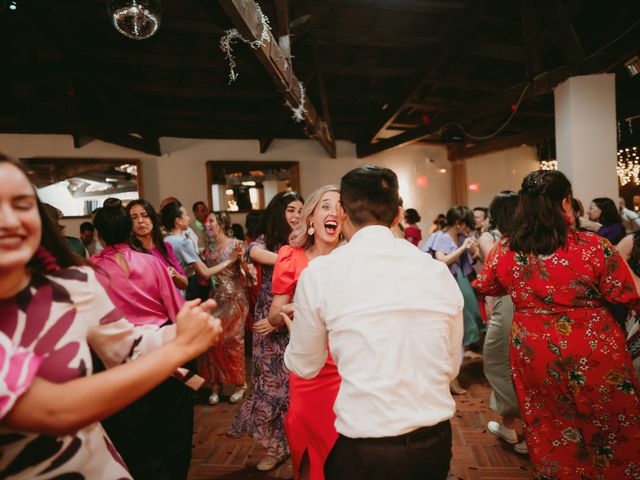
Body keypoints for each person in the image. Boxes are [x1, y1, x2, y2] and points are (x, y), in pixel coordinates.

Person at [0, 153, 221, 478]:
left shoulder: (75, 283)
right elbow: (55, 409)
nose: (10, 220)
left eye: (21, 204)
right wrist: (181, 346)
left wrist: (178, 331)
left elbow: (126, 348)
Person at [284, 166, 463, 480]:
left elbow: (306, 365)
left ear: (341, 212)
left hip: (366, 447)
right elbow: (450, 365)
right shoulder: (436, 272)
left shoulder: (321, 274)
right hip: (433, 443)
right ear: (397, 215)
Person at [473, 170, 640, 480]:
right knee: (609, 424)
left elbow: (486, 285)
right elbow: (627, 293)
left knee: (548, 423)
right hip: (593, 347)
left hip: (534, 351)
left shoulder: (507, 249)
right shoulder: (592, 246)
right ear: (566, 203)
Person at [92, 200, 202, 479]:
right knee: (172, 428)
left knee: (131, 434)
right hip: (161, 352)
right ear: (129, 229)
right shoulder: (153, 262)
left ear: (98, 235)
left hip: (117, 358)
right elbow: (177, 311)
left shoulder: (89, 269)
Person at [267, 185, 343, 480]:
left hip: (345, 364)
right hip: (308, 368)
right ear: (311, 219)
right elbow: (274, 313)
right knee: (306, 439)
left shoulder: (351, 259)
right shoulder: (290, 257)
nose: (333, 212)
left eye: (339, 207)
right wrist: (293, 310)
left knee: (341, 444)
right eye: (325, 206)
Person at [227, 191, 303, 471]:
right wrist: (299, 259)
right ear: (278, 213)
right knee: (270, 387)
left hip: (299, 317)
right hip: (267, 321)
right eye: (291, 210)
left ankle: (298, 444)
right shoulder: (263, 244)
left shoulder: (306, 244)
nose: (296, 216)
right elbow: (257, 255)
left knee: (294, 387)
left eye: (300, 211)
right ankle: (276, 447)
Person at [476, 191, 527, 455]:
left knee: (497, 362)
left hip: (508, 304)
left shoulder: (491, 238)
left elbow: (496, 266)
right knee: (516, 365)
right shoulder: (528, 238)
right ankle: (510, 426)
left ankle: (526, 427)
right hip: (527, 303)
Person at [428, 205, 482, 394]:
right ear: (458, 223)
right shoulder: (440, 237)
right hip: (444, 287)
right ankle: (447, 381)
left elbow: (470, 261)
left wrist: (473, 251)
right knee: (446, 332)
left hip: (460, 284)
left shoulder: (460, 238)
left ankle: (453, 378)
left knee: (460, 331)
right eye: (466, 224)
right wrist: (463, 248)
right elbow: (441, 261)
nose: (468, 229)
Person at [199, 212, 250, 405]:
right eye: (207, 221)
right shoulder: (209, 248)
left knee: (233, 342)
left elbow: (249, 272)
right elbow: (207, 276)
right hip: (216, 297)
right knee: (213, 342)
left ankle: (240, 384)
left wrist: (243, 261)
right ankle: (216, 385)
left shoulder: (235, 244)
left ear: (221, 224)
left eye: (211, 221)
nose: (207, 224)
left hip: (234, 298)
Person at [161, 202, 234, 301]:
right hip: (179, 289)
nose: (189, 218)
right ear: (178, 221)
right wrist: (230, 260)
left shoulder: (166, 239)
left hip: (166, 289)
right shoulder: (182, 241)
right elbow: (205, 273)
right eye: (186, 215)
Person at [127, 199, 188, 291]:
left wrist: (174, 274)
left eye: (145, 215)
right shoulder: (128, 252)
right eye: (134, 217)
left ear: (153, 219)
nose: (140, 221)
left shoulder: (165, 247)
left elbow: (184, 284)